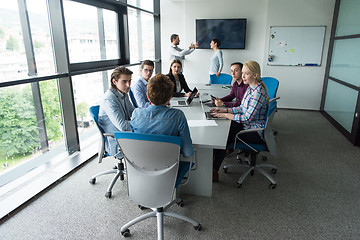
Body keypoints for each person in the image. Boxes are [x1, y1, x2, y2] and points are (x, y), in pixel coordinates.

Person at [210, 61, 269, 182]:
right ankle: (212, 164)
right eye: (243, 73)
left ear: (255, 75)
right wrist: (224, 110)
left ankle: (214, 169)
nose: (243, 77)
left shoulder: (258, 92)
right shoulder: (251, 88)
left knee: (223, 135)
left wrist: (226, 115)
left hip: (255, 131)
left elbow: (247, 117)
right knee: (221, 127)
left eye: (246, 74)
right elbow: (242, 108)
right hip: (247, 125)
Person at [130, 74, 194, 185]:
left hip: (141, 167)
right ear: (170, 98)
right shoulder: (178, 116)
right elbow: (188, 152)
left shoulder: (136, 114)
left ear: (148, 96)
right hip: (169, 170)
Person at [98, 66, 135, 156]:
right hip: (117, 140)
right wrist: (142, 122)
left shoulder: (123, 93)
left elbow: (133, 112)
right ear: (114, 82)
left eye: (129, 81)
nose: (128, 85)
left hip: (126, 135)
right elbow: (122, 126)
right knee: (149, 144)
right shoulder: (109, 99)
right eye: (124, 82)